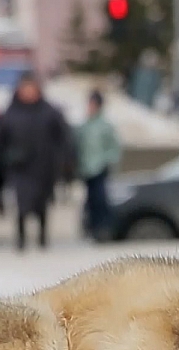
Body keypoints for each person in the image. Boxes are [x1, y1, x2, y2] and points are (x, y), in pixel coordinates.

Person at [0, 71, 71, 251]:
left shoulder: (49, 112)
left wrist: (67, 160)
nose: (28, 92)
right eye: (25, 88)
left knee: (41, 204)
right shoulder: (11, 113)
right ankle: (21, 239)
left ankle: (42, 238)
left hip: (44, 167)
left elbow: (64, 138)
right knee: (21, 204)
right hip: (19, 167)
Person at [75, 89, 122, 241]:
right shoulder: (85, 125)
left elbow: (114, 147)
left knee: (101, 199)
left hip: (100, 168)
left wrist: (107, 161)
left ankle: (104, 229)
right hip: (86, 169)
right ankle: (92, 228)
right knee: (90, 201)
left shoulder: (105, 126)